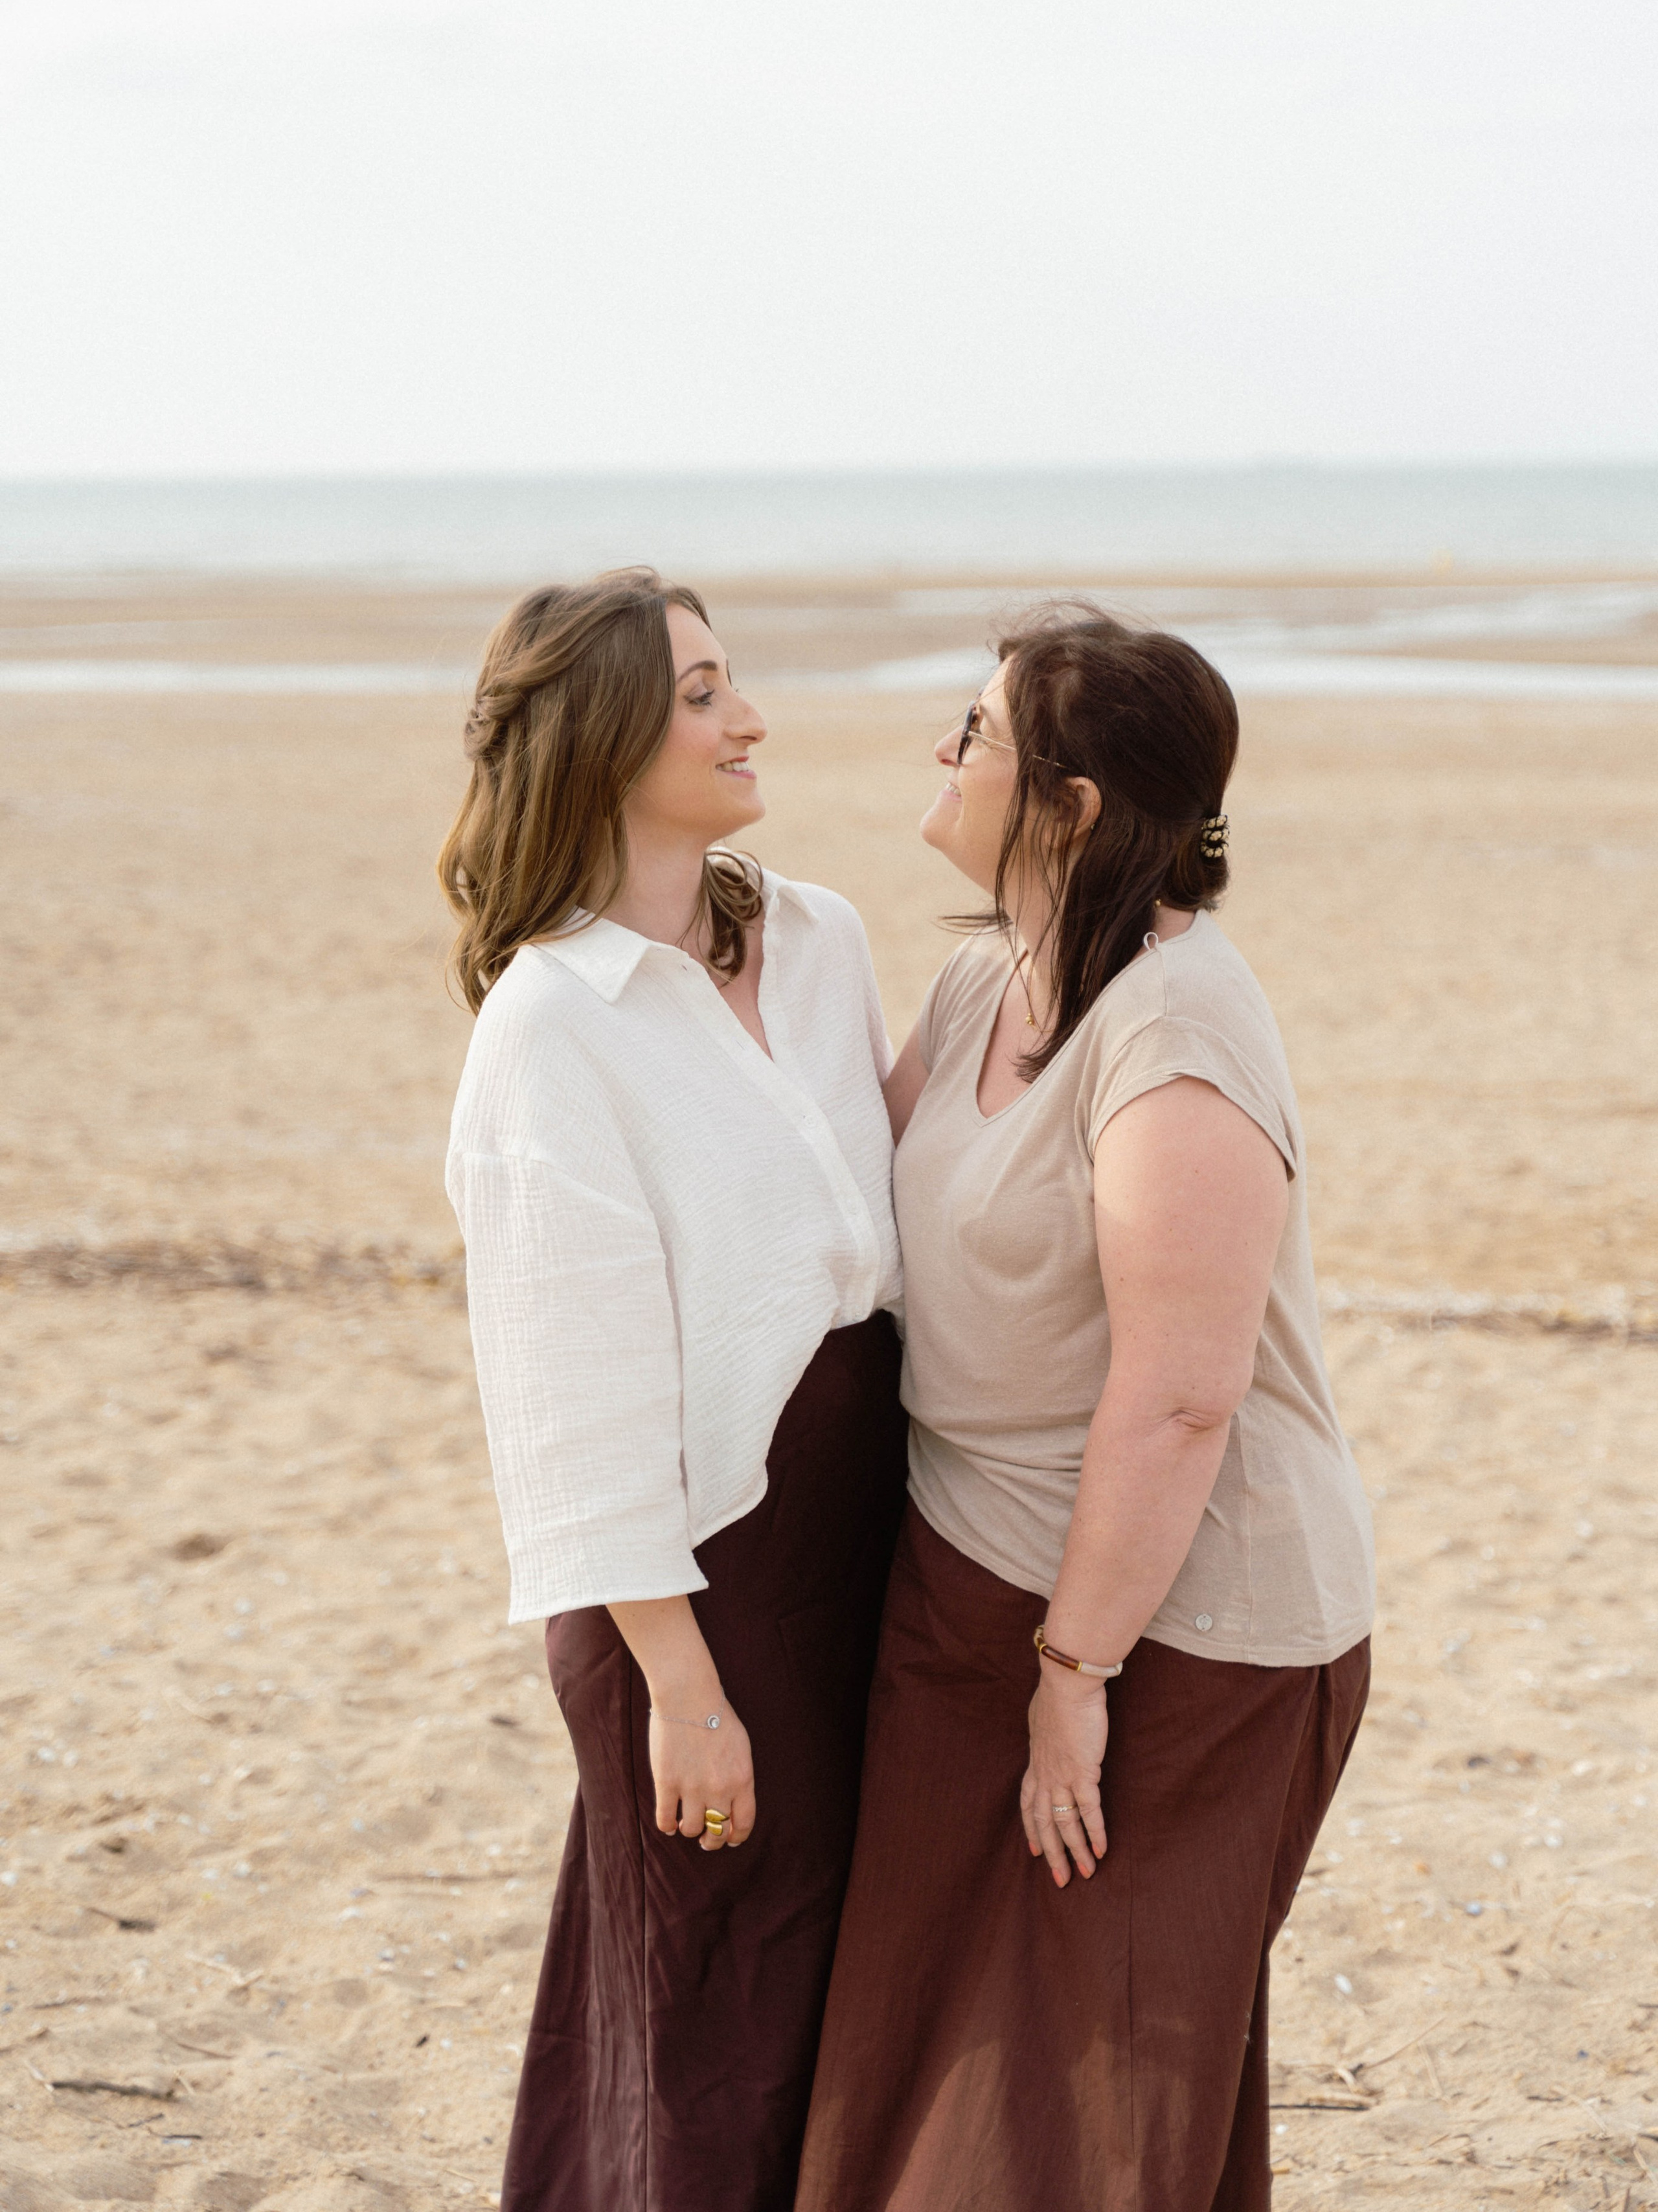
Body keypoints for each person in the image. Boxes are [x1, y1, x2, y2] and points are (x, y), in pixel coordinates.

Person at [794, 602, 1375, 2212]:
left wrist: (1073, 1674)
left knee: (1086, 2099)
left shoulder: (1174, 1034)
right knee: (924, 2037)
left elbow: (1181, 1399)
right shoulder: (980, 980)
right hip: (972, 1576)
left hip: (1173, 1627)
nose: (941, 750)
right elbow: (839, 1219)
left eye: (976, 733)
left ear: (1066, 805)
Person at [439, 569, 906, 2212]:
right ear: (602, 739)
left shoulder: (820, 937)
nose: (747, 718)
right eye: (701, 695)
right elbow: (568, 1407)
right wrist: (681, 1683)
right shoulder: (547, 1029)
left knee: (835, 1991)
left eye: (731, 682)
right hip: (700, 1578)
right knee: (717, 2009)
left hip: (873, 1532)